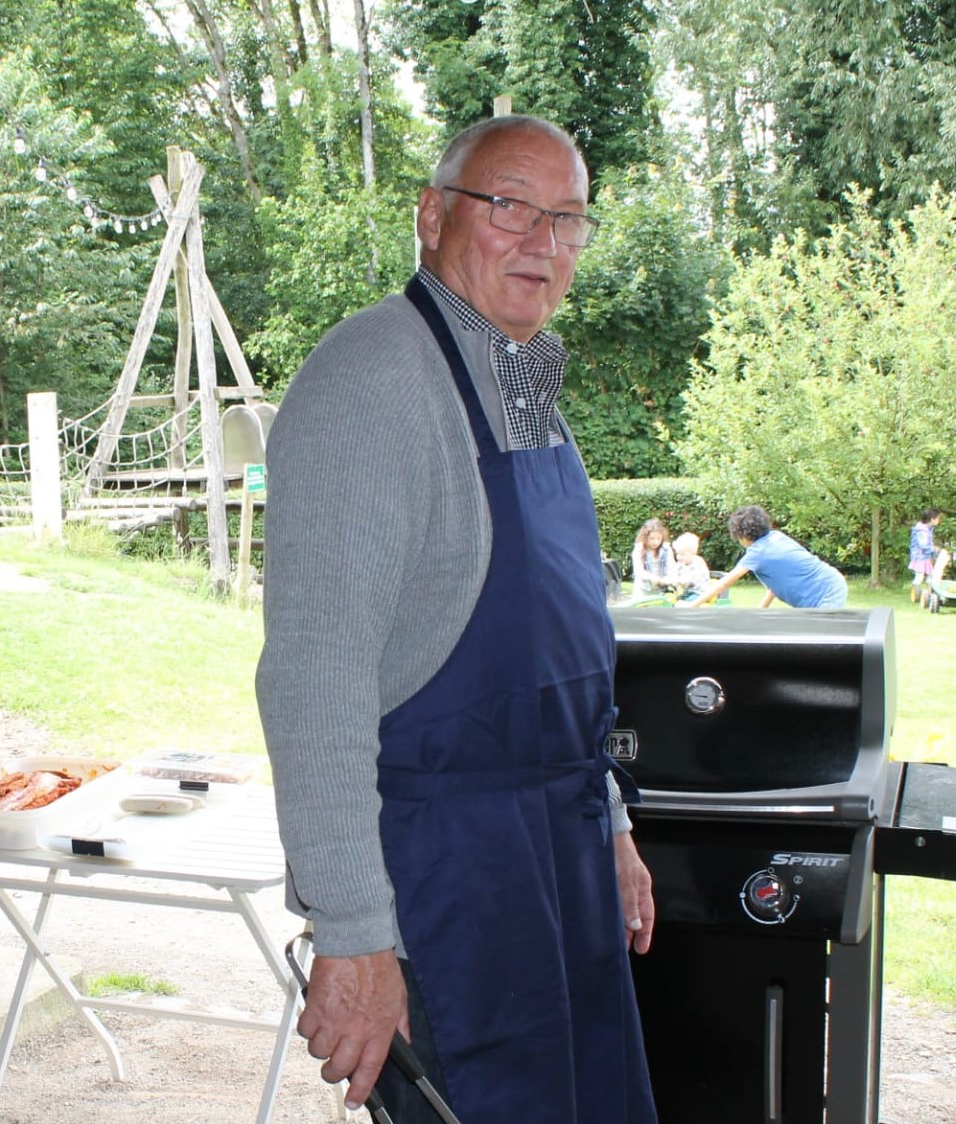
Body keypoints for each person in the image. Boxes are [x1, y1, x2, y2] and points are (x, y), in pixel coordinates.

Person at [256, 115, 657, 1124]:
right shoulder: (372, 381)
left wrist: (605, 820)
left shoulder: (525, 375)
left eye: (568, 218)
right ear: (434, 216)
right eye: (512, 206)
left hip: (558, 853)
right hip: (453, 881)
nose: (544, 242)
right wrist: (352, 937)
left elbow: (567, 638)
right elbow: (315, 685)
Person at [686, 504, 848, 609]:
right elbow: (776, 582)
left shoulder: (757, 554)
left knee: (818, 642)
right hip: (833, 581)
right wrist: (761, 610)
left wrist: (692, 605)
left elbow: (723, 584)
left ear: (743, 536)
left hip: (826, 592)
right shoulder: (776, 536)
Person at [630, 518, 675, 597]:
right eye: (652, 538)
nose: (655, 542)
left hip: (661, 591)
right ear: (645, 537)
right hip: (643, 590)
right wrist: (652, 577)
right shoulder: (639, 549)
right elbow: (638, 571)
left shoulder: (666, 549)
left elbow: (672, 569)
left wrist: (666, 580)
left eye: (658, 538)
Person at [908, 506, 943, 604]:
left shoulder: (927, 528)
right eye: (938, 519)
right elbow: (924, 545)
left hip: (925, 556)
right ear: (932, 519)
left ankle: (929, 593)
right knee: (919, 575)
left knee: (931, 575)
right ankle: (916, 593)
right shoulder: (922, 530)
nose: (939, 521)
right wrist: (934, 549)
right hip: (919, 557)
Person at [670, 531, 712, 603]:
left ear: (693, 553)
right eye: (677, 554)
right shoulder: (681, 563)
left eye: (682, 554)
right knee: (672, 601)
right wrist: (669, 579)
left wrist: (677, 580)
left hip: (700, 593)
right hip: (688, 592)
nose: (679, 557)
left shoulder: (698, 563)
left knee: (684, 603)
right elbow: (673, 572)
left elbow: (688, 580)